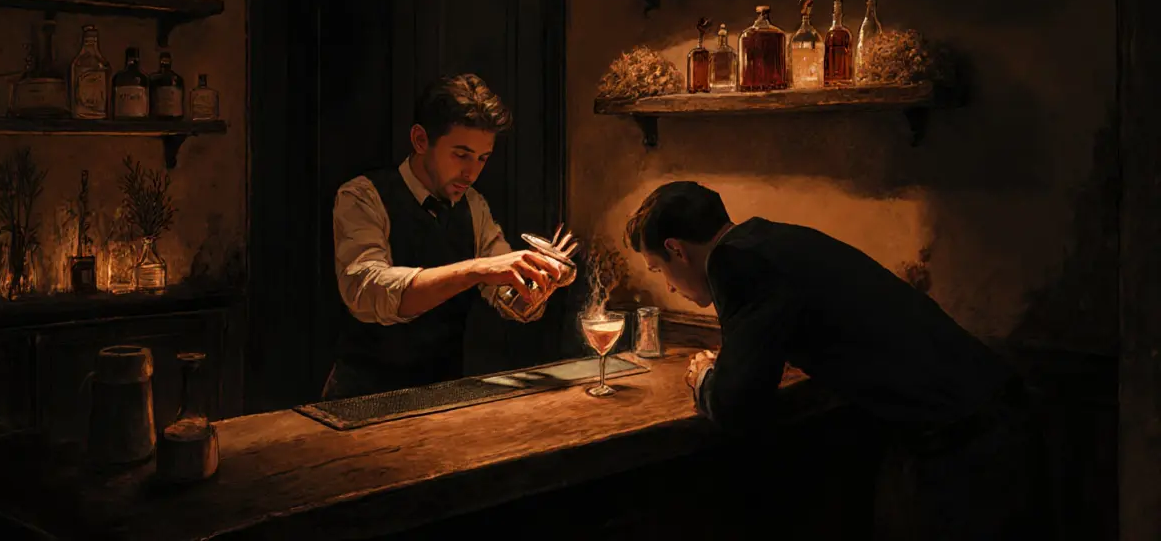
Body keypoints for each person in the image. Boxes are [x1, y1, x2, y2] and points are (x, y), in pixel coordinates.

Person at [625, 181, 1041, 540]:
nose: (670, 288)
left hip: (964, 440)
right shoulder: (772, 240)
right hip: (989, 408)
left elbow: (738, 407)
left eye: (657, 270)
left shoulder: (736, 265)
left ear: (676, 250)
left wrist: (704, 377)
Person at [323, 73, 574, 400]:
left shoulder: (473, 206)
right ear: (420, 140)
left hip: (443, 393)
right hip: (363, 398)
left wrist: (530, 292)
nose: (472, 172)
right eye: (461, 154)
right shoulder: (362, 196)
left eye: (483, 158)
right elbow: (367, 289)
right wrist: (476, 270)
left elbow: (505, 294)